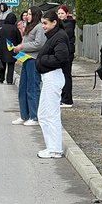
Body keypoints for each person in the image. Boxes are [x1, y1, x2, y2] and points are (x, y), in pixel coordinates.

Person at [35, 9, 71, 159]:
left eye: (45, 23)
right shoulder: (54, 36)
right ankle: (51, 146)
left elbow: (61, 58)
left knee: (51, 114)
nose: (43, 26)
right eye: (42, 23)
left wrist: (42, 60)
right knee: (43, 114)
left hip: (53, 77)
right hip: (49, 77)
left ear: (54, 22)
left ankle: (55, 149)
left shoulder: (59, 37)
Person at [12, 7, 45, 127]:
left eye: (30, 14)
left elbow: (39, 44)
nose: (27, 16)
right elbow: (26, 42)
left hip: (33, 60)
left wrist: (22, 47)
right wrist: (19, 47)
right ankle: (24, 115)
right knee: (23, 87)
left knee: (33, 87)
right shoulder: (30, 26)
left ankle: (34, 116)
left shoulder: (39, 27)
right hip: (26, 59)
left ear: (35, 15)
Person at [57, 5, 76, 108]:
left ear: (67, 14)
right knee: (63, 75)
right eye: (59, 13)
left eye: (62, 13)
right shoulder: (62, 24)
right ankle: (63, 98)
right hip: (64, 52)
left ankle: (67, 100)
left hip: (68, 53)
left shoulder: (69, 24)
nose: (60, 15)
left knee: (66, 76)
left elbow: (64, 36)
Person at [0, 12, 22, 87]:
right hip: (12, 49)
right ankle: (9, 80)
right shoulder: (15, 28)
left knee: (2, 64)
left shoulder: (1, 27)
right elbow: (19, 39)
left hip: (2, 49)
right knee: (11, 65)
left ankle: (1, 78)